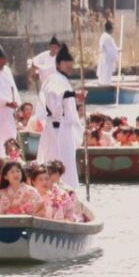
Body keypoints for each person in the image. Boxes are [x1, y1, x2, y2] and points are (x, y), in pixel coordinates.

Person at [39, 44, 82, 190]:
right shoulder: (53, 79)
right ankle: (52, 189)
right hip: (56, 130)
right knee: (55, 161)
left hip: (65, 129)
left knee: (68, 164)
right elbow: (55, 95)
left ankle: (69, 191)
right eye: (65, 62)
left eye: (70, 62)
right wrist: (73, 94)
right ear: (58, 64)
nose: (69, 65)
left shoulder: (64, 80)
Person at [96, 20, 121, 87]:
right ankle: (105, 86)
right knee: (105, 74)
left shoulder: (103, 36)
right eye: (113, 28)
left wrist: (118, 49)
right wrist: (117, 51)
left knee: (104, 74)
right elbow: (111, 50)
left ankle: (104, 84)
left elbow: (111, 48)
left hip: (105, 58)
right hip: (106, 59)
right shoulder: (107, 37)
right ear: (110, 29)